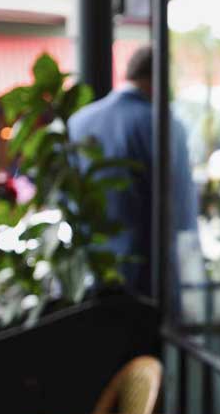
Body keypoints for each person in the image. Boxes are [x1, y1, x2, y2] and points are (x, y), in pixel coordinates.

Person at [69, 45, 198, 300]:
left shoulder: (79, 122)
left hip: (91, 274)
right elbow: (182, 211)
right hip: (147, 279)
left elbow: (70, 201)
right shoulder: (165, 125)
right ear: (160, 78)